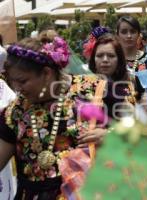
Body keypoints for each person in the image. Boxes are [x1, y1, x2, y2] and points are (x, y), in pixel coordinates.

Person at [0, 37, 106, 199]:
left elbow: (144, 131)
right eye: (14, 83)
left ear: (46, 73)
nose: (17, 89)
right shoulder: (15, 112)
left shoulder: (92, 92)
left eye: (23, 81)